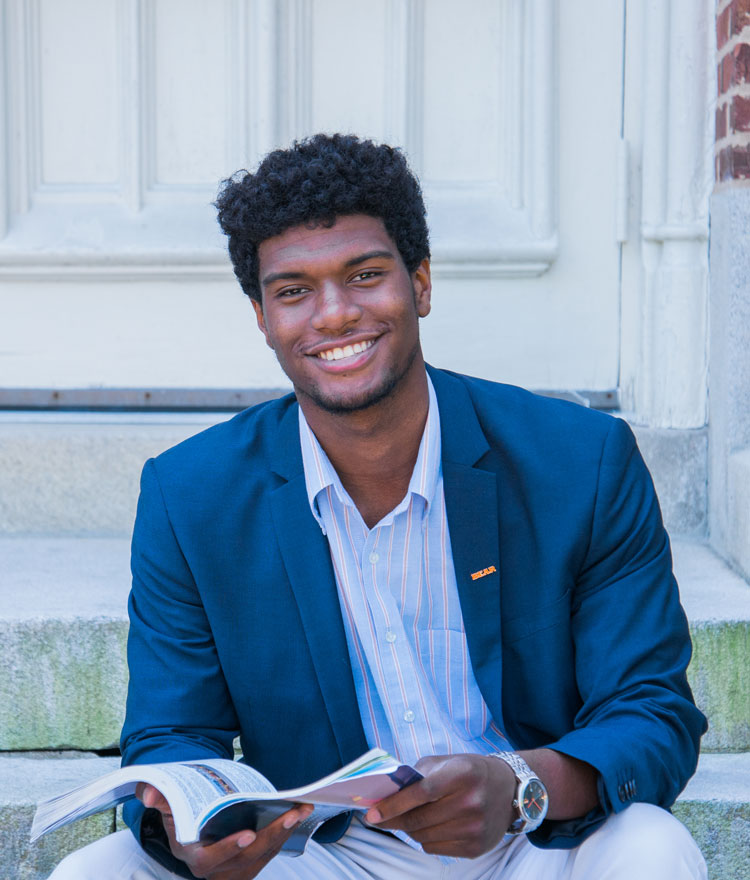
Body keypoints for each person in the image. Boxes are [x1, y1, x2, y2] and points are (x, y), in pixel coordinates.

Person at [50, 134, 708, 880]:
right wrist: (196, 839)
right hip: (319, 856)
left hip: (532, 841)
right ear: (263, 318)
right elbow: (171, 734)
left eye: (364, 275)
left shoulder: (580, 462)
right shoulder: (191, 495)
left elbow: (652, 714)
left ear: (420, 284)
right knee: (97, 872)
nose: (333, 315)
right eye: (293, 290)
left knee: (653, 846)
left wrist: (518, 786)